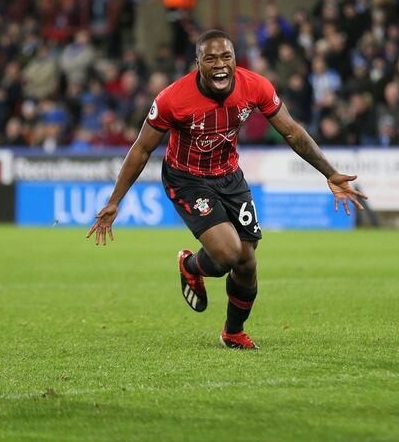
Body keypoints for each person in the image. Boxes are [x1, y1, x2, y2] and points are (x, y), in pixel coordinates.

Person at [87, 29, 366, 349]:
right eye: (210, 58)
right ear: (198, 64)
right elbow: (141, 149)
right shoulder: (172, 99)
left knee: (246, 261)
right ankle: (190, 265)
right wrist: (115, 200)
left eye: (226, 57)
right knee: (228, 253)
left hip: (230, 176)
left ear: (235, 60)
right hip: (187, 179)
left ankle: (233, 332)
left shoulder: (256, 86)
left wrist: (330, 173)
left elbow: (291, 131)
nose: (219, 64)